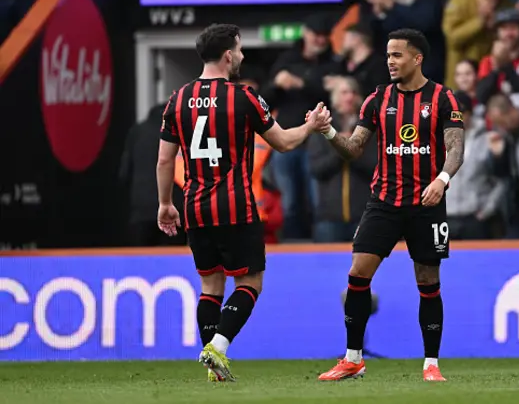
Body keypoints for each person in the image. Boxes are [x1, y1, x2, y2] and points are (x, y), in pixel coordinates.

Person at [155, 23, 331, 382]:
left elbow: (162, 161)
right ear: (227, 55)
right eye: (240, 49)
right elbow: (283, 143)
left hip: (196, 208)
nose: (243, 56)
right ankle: (218, 346)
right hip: (236, 205)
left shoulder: (177, 99)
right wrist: (311, 125)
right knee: (250, 282)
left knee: (210, 287)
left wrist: (165, 204)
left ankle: (213, 369)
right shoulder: (245, 97)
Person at [316, 28, 465, 382]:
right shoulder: (376, 100)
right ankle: (353, 358)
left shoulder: (443, 99)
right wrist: (327, 132)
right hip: (383, 202)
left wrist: (441, 181)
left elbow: (455, 149)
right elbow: (354, 149)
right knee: (357, 273)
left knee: (428, 280)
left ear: (417, 58)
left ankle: (431, 364)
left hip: (427, 203)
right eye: (387, 55)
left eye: (397, 55)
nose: (390, 62)